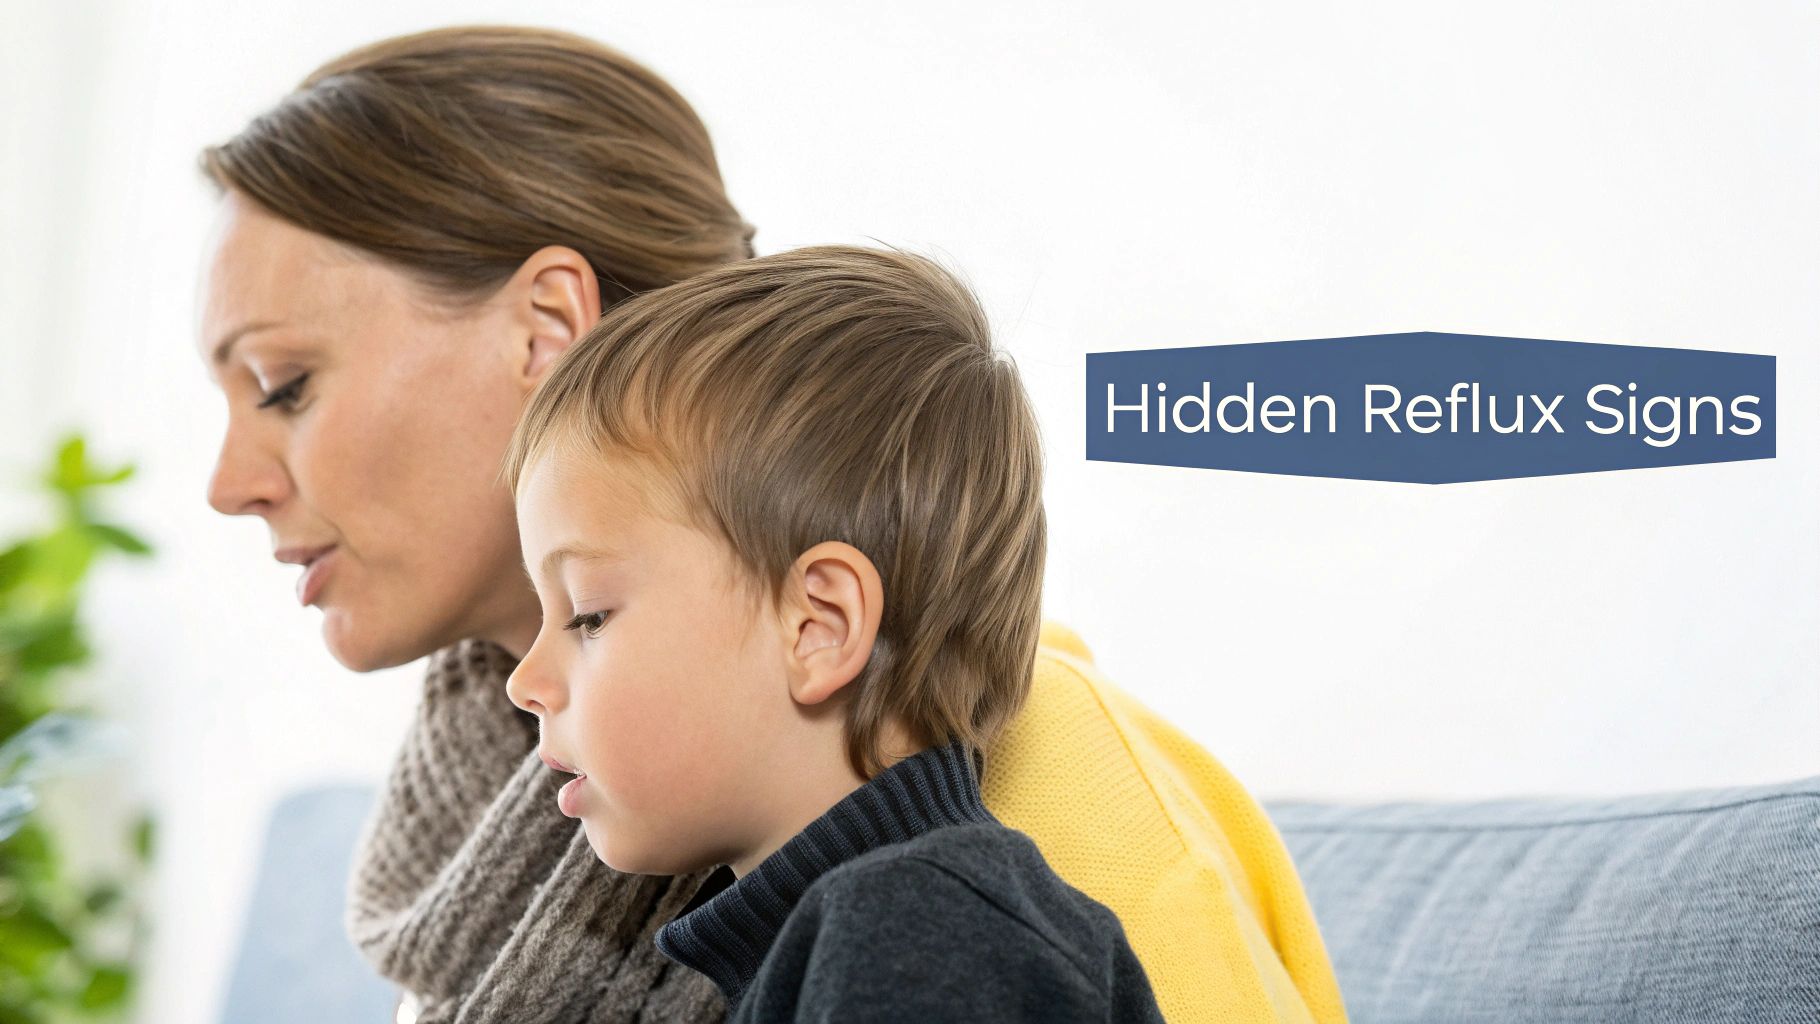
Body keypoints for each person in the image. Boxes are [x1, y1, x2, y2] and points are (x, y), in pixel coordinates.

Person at [195, 24, 1348, 1024]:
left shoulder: (1016, 790)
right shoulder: (537, 810)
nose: (226, 481)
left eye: (283, 384)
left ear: (546, 332)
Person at [499, 243, 1164, 1021]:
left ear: (818, 626)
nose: (525, 681)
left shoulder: (926, 933)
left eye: (587, 614)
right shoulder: (881, 928)